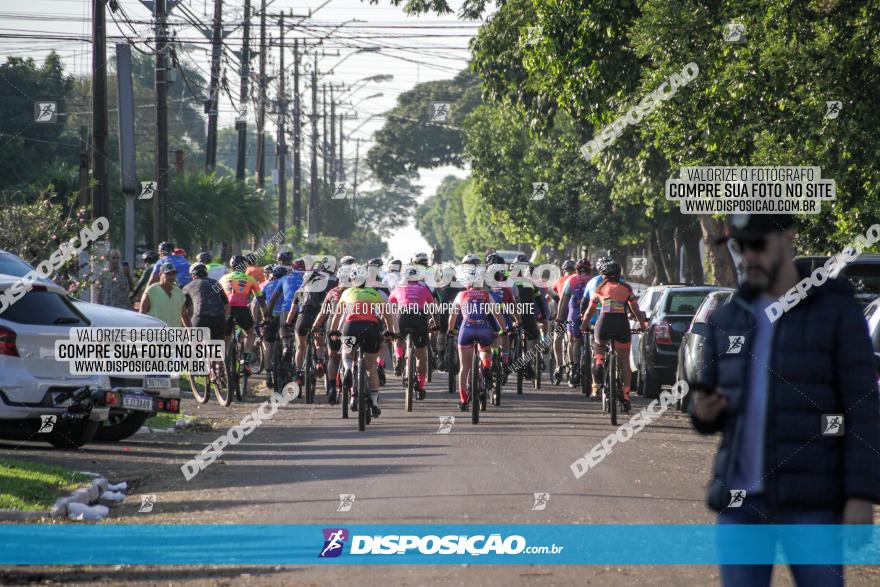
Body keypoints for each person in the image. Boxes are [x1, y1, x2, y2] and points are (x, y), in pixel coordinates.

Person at [690, 214, 880, 587]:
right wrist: (702, 412)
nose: (748, 257)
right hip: (740, 503)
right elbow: (707, 406)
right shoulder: (728, 319)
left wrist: (861, 495)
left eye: (758, 245)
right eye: (740, 248)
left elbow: (863, 408)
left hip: (812, 504)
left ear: (788, 238)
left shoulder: (835, 314)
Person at [328, 265, 394, 417]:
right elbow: (387, 316)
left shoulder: (347, 292)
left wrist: (334, 331)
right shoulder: (373, 292)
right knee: (371, 367)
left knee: (347, 354)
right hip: (371, 328)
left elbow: (337, 315)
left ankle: (349, 369)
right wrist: (389, 331)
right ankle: (375, 403)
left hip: (350, 327)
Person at [580, 259, 646, 409]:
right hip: (622, 325)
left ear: (603, 276)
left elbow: (590, 311)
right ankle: (626, 395)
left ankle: (598, 369)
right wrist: (642, 326)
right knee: (624, 362)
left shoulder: (599, 289)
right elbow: (636, 311)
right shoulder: (626, 288)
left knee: (598, 347)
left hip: (603, 325)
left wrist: (584, 326)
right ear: (618, 274)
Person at [448, 265, 503, 411]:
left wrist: (451, 330)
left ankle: (463, 400)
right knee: (486, 350)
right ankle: (485, 366)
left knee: (464, 368)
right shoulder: (486, 295)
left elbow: (453, 316)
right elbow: (497, 314)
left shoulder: (461, 295)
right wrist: (504, 329)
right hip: (484, 329)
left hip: (466, 330)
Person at [389, 266, 437, 399]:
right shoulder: (423, 288)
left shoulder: (399, 287)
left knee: (397, 335)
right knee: (421, 355)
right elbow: (432, 306)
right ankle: (420, 387)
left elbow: (390, 303)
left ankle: (398, 356)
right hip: (419, 318)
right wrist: (435, 322)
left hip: (402, 315)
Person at [218, 255, 265, 376]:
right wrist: (266, 316)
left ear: (231, 267)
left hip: (227, 310)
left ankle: (222, 366)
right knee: (250, 333)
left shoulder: (223, 278)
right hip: (242, 310)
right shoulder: (250, 279)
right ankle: (246, 360)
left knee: (226, 337)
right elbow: (260, 300)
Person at [181, 263, 229, 345]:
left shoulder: (188, 286)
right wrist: (225, 318)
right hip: (218, 318)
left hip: (200, 318)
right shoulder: (216, 283)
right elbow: (227, 305)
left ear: (193, 276)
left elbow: (182, 309)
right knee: (217, 347)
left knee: (193, 343)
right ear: (206, 273)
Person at [549, 259, 576, 384]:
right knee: (572, 340)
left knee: (557, 337)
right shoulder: (576, 279)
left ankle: (559, 365)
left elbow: (551, 297)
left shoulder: (559, 281)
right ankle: (573, 366)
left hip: (563, 312)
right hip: (575, 313)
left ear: (563, 270)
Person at [139, 262, 186, 327]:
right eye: (168, 274)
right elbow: (141, 315)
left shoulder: (178, 291)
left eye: (173, 273)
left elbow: (184, 314)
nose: (171, 276)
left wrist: (190, 332)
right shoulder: (151, 291)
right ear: (160, 275)